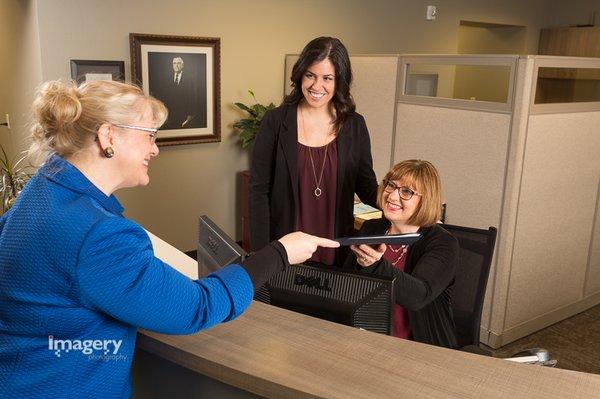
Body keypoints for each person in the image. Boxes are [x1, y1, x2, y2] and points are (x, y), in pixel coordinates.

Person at [0, 80, 339, 398]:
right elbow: (196, 307)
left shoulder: (42, 189)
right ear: (108, 137)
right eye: (149, 135)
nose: (155, 149)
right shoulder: (98, 234)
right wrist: (279, 253)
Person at [249, 36, 378, 266]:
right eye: (310, 75)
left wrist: (414, 213)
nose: (316, 86)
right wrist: (262, 256)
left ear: (339, 82)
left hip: (335, 248)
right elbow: (258, 193)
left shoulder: (354, 125)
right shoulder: (276, 122)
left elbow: (367, 187)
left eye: (327, 78)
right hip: (284, 250)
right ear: (300, 74)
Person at [343, 160, 459, 348]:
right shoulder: (371, 228)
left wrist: (376, 266)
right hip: (365, 339)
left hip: (419, 348)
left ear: (426, 200)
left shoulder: (443, 243)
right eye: (391, 185)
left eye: (406, 192)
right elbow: (345, 286)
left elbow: (418, 296)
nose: (393, 196)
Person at [149, 56, 205, 130]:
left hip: (183, 114)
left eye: (178, 63)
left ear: (182, 65)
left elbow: (192, 97)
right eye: (174, 63)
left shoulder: (190, 79)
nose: (176, 65)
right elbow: (162, 95)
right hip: (168, 113)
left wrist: (190, 115)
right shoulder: (166, 78)